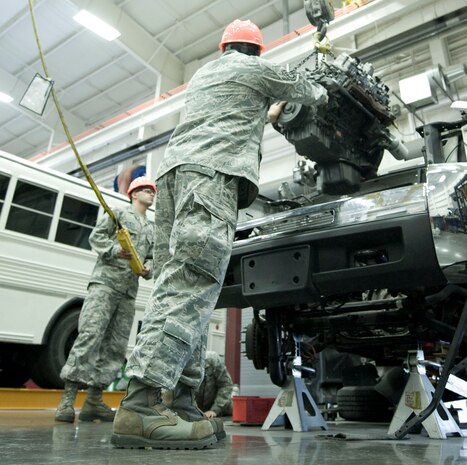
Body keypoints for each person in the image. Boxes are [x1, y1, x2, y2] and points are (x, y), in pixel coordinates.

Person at [111, 19, 328, 450]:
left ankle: (185, 399)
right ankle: (141, 405)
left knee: (186, 288)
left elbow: (235, 114)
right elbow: (307, 88)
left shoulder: (206, 75)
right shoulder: (252, 68)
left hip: (177, 176)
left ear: (224, 44)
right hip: (210, 177)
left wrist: (267, 113)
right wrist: (322, 77)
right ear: (255, 50)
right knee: (193, 283)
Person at [55, 176, 156, 423]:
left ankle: (93, 401)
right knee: (90, 336)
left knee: (116, 346)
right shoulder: (118, 214)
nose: (151, 194)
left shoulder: (152, 228)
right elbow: (96, 237)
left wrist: (148, 269)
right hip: (105, 284)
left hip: (128, 292)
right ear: (133, 194)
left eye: (153, 191)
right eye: (145, 190)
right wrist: (113, 250)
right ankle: (67, 402)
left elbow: (153, 257)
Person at [162, 351, 237, 418]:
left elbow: (226, 385)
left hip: (220, 408)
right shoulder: (178, 363)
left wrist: (215, 410)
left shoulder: (213, 360)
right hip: (193, 411)